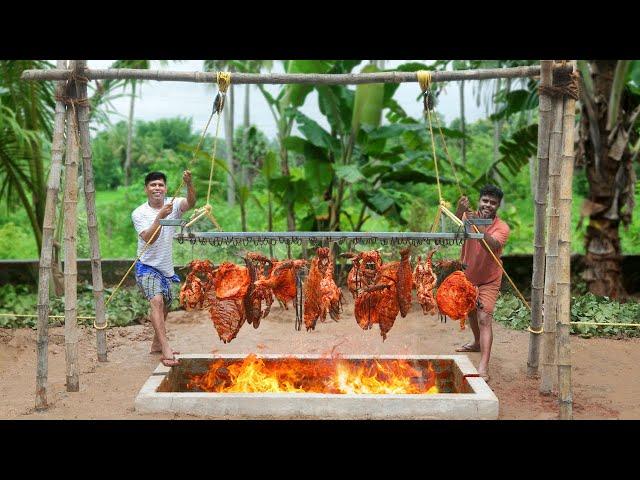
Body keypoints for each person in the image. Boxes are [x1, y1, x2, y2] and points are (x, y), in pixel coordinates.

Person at [131, 171, 196, 367]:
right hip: (146, 266)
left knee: (165, 305)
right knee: (157, 302)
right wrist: (160, 216)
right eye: (153, 185)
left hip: (166, 269)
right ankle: (166, 349)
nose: (157, 188)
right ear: (146, 189)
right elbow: (149, 238)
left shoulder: (174, 204)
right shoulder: (139, 213)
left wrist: (189, 184)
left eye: (160, 185)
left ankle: (156, 344)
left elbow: (191, 203)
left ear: (165, 188)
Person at [454, 184, 510, 382]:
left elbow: (492, 246)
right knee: (470, 310)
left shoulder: (502, 227)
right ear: (479, 201)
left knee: (484, 317)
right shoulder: (468, 217)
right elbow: (454, 228)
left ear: (498, 206)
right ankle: (477, 342)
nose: (488, 205)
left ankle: (483, 367)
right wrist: (460, 210)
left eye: (493, 203)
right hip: (468, 275)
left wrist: (479, 227)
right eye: (485, 201)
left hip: (489, 279)